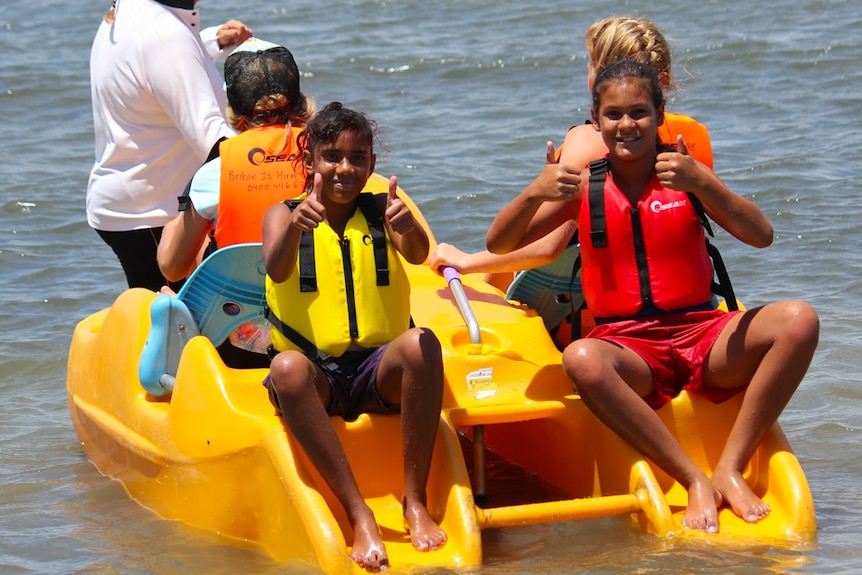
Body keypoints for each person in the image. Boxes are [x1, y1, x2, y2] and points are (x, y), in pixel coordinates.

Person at [486, 60, 819, 533]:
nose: (627, 125)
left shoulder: (686, 173)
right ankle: (691, 477)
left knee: (799, 320)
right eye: (614, 114)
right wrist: (533, 192)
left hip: (704, 332)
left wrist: (702, 183)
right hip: (630, 347)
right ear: (596, 120)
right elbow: (501, 244)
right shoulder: (584, 186)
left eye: (639, 112)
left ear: (659, 113)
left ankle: (730, 465)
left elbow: (761, 234)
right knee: (581, 358)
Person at [261, 102, 448, 571]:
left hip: (375, 371)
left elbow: (419, 253)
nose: (345, 168)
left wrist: (407, 227)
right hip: (318, 375)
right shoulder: (282, 215)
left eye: (357, 158)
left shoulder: (383, 210)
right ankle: (358, 511)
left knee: (423, 341)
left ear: (372, 165)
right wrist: (294, 229)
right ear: (310, 163)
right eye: (332, 156)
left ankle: (414, 500)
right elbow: (276, 268)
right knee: (285, 369)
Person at [429, 16, 711, 295]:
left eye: (589, 62)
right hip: (678, 293)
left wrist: (467, 261)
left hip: (592, 305)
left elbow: (549, 247)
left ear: (602, 75)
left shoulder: (588, 141)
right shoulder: (692, 136)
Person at [87, 0, 252, 292]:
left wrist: (211, 43)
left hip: (134, 204)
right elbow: (213, 140)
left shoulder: (133, 11)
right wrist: (286, 157)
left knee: (165, 325)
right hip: (152, 214)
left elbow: (155, 58)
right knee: (184, 330)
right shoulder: (165, 37)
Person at [157, 39, 313, 283]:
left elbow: (172, 267)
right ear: (301, 100)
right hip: (312, 297)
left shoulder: (215, 171)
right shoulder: (329, 157)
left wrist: (172, 228)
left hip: (241, 309)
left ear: (234, 109)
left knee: (198, 240)